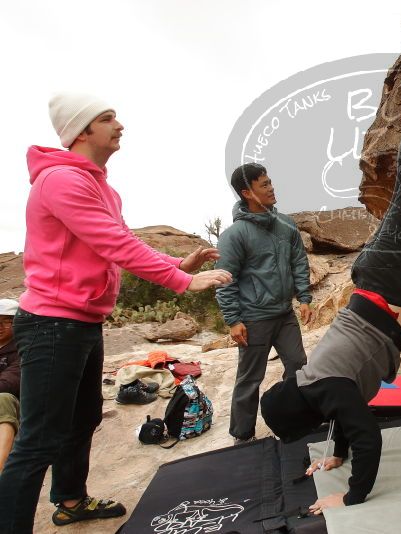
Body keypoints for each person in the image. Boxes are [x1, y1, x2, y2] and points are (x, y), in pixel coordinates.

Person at [0, 93, 232, 533]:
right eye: (107, 118)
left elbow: (121, 240)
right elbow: (114, 243)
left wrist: (178, 264)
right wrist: (182, 282)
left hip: (82, 323)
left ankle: (71, 500)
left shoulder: (102, 188)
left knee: (83, 419)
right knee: (39, 440)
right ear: (81, 130)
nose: (119, 125)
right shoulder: (61, 180)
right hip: (52, 324)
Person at [261, 76, 401, 514]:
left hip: (385, 279)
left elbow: (368, 435)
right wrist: (336, 456)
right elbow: (345, 414)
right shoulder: (317, 385)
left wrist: (350, 496)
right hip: (378, 279)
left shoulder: (329, 388)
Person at [216, 163, 313, 443]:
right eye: (264, 184)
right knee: (250, 379)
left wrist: (304, 297)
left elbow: (298, 261)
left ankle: (296, 421)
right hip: (254, 319)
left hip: (285, 315)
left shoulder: (286, 224)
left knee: (298, 366)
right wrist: (233, 320)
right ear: (247, 192)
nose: (271, 188)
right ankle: (242, 435)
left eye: (270, 182)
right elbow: (224, 280)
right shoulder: (234, 235)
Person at [0, 299, 21, 474]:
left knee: (3, 399)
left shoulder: (23, 350)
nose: (0, 327)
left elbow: (7, 384)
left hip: (15, 412)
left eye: (6, 321)